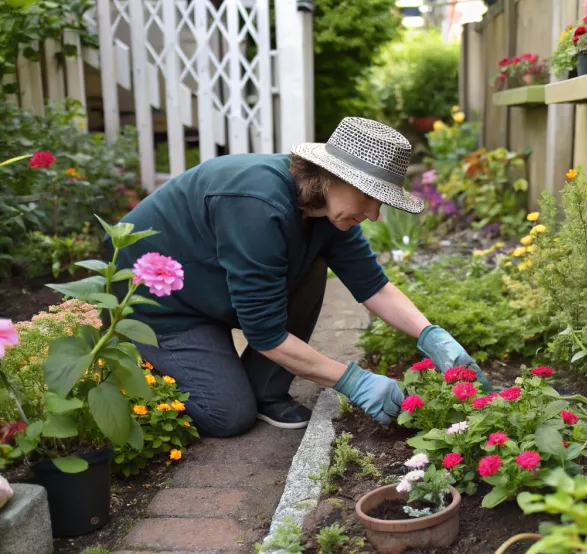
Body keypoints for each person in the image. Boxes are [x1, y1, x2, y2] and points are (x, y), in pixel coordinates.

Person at [114, 117, 490, 436]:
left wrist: (433, 336)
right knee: (227, 414)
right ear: (332, 177)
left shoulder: (327, 212)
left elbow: (372, 285)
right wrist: (352, 380)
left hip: (210, 285)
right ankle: (134, 362)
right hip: (157, 304)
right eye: (370, 197)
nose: (375, 215)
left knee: (312, 264)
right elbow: (264, 334)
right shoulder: (258, 204)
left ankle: (265, 389)